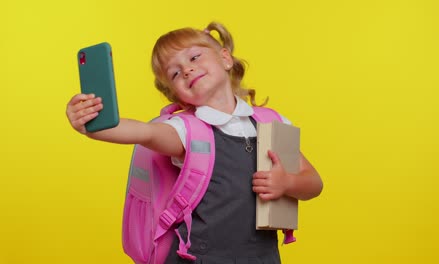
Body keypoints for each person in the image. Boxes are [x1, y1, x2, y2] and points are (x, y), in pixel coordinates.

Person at [66, 21, 323, 264]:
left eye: (194, 57)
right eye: (175, 73)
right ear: (177, 93)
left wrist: (287, 183)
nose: (187, 69)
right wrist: (91, 125)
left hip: (263, 257)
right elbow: (144, 133)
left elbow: (313, 183)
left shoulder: (272, 123)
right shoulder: (186, 130)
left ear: (225, 58)